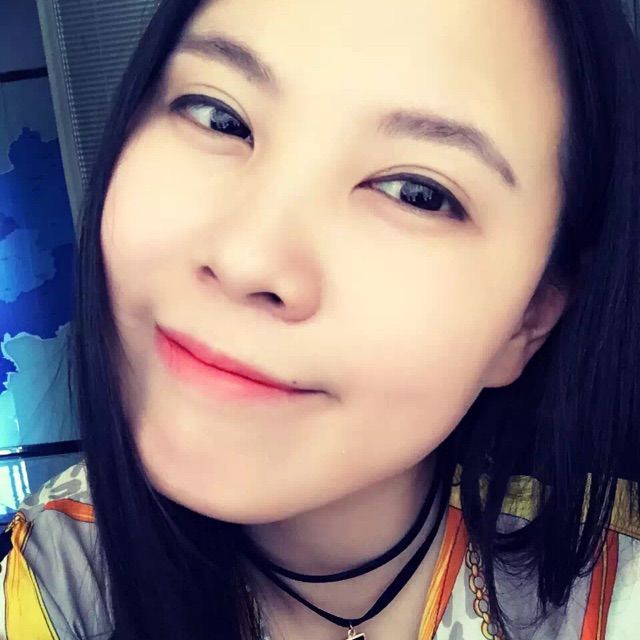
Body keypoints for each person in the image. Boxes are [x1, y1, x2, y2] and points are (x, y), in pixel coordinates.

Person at [2, 0, 640, 638]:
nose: (246, 259)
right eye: (220, 116)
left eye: (417, 193)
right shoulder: (50, 580)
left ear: (530, 317)